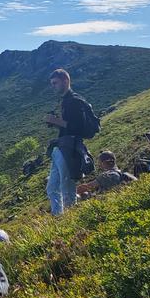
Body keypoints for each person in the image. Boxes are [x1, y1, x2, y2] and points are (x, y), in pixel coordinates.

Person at [44, 68, 92, 215]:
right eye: (52, 84)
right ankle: (58, 217)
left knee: (66, 185)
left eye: (55, 83)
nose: (53, 86)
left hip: (70, 148)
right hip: (61, 146)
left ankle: (71, 216)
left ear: (65, 80)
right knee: (52, 187)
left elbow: (77, 127)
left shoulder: (74, 101)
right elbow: (69, 124)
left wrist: (55, 120)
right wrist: (57, 122)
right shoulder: (66, 101)